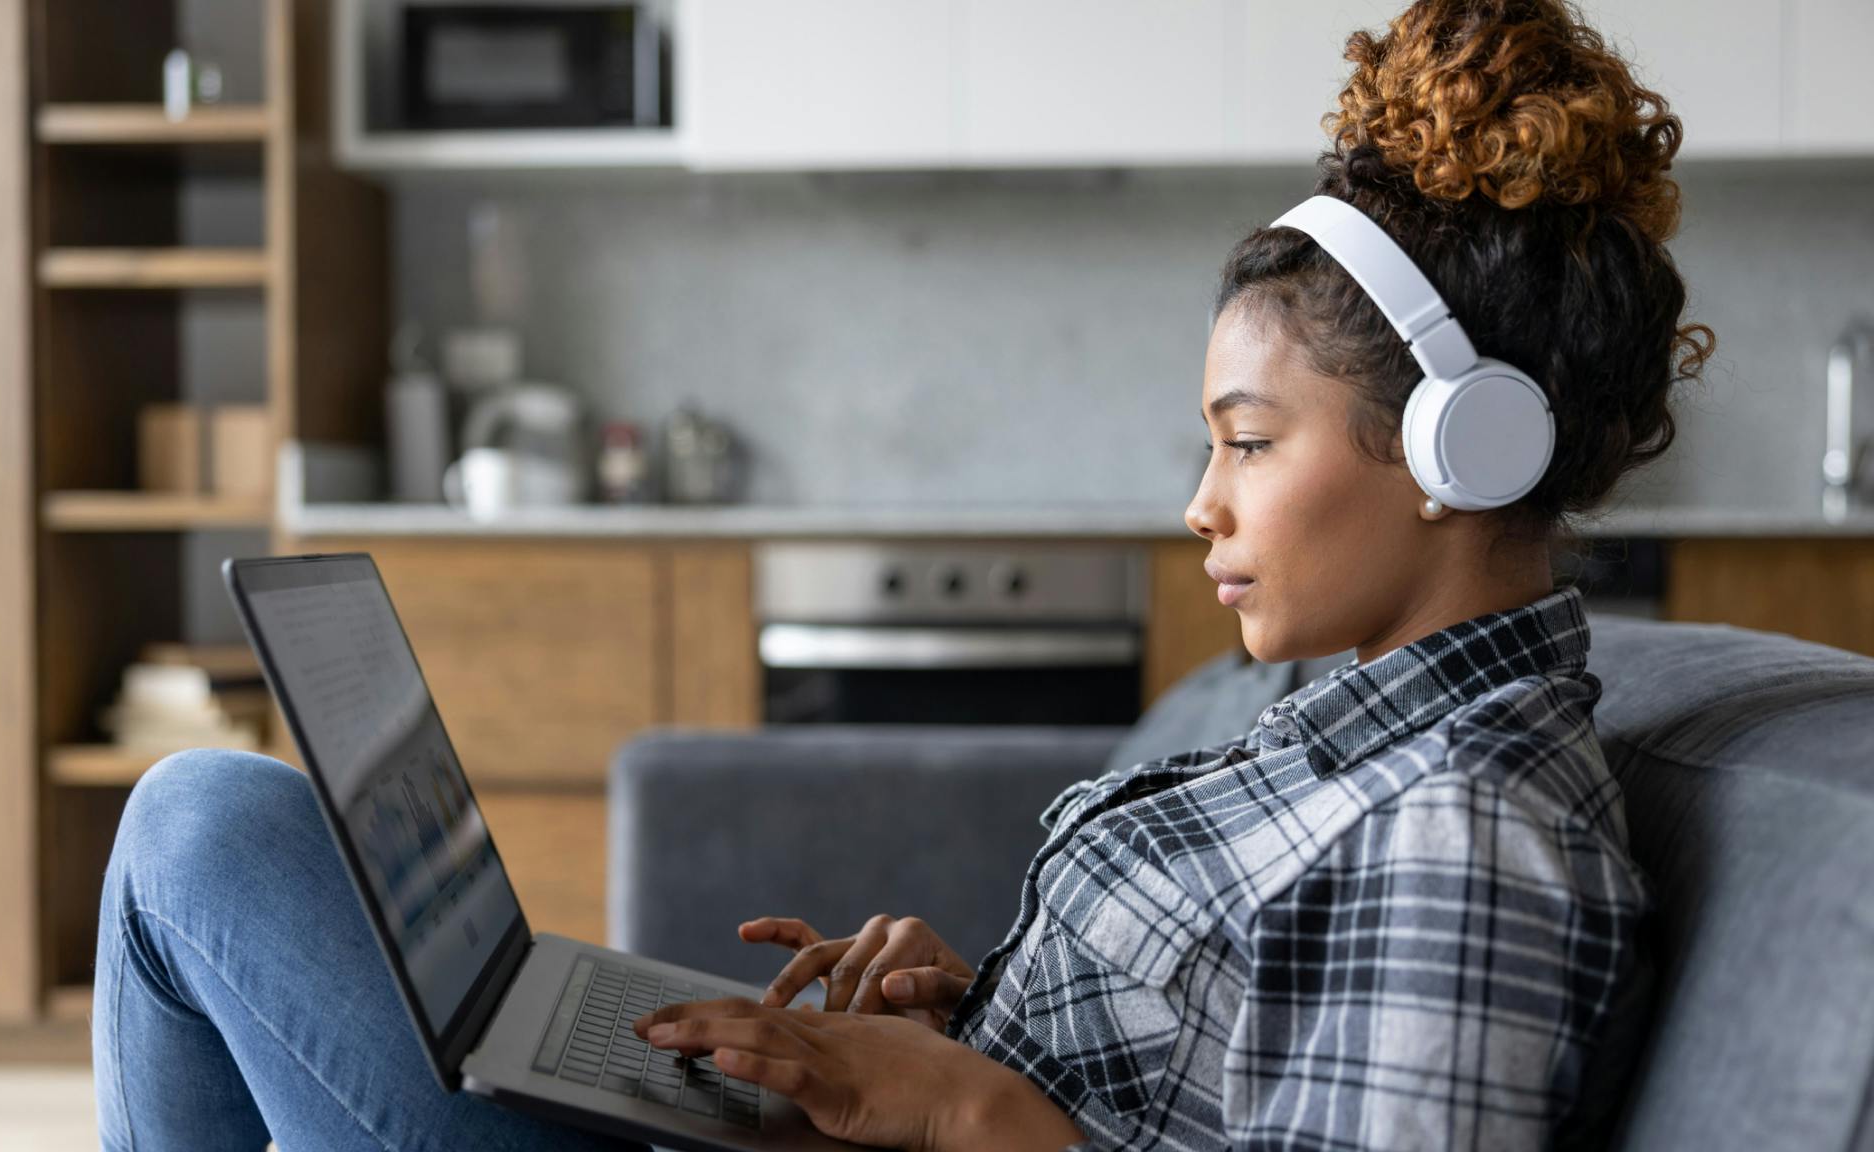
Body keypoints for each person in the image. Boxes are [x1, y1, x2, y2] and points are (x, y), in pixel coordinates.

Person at [92, 1, 1711, 1148]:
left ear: (1458, 453)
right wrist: (982, 1011)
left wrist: (961, 1106)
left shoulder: (1472, 836)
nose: (1203, 506)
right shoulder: (1372, 730)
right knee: (237, 854)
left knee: (203, 832)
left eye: (1249, 441)